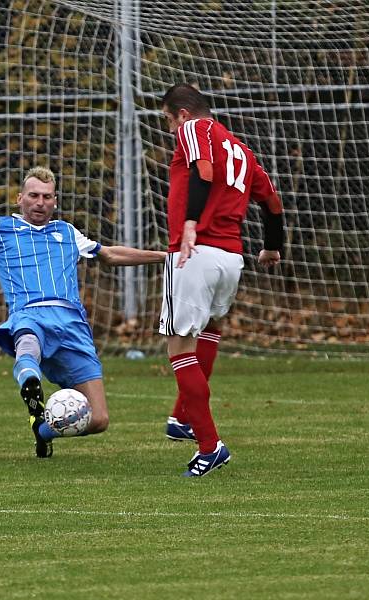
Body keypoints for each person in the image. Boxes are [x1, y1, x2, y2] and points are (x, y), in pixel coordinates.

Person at [0, 166, 166, 458]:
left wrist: (164, 257)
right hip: (29, 313)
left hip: (72, 324)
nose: (40, 202)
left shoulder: (67, 232)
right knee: (28, 339)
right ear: (19, 199)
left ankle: (43, 430)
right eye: (34, 195)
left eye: (47, 197)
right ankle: (29, 378)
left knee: (99, 420)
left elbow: (111, 255)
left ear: (55, 201)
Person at [158, 84, 285, 477]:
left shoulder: (194, 129)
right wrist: (272, 246)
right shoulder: (241, 149)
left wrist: (192, 223)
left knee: (178, 346)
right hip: (232, 257)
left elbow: (203, 171)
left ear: (181, 113)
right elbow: (272, 201)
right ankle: (182, 418)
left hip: (196, 251)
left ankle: (210, 446)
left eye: (167, 119)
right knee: (208, 330)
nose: (170, 128)